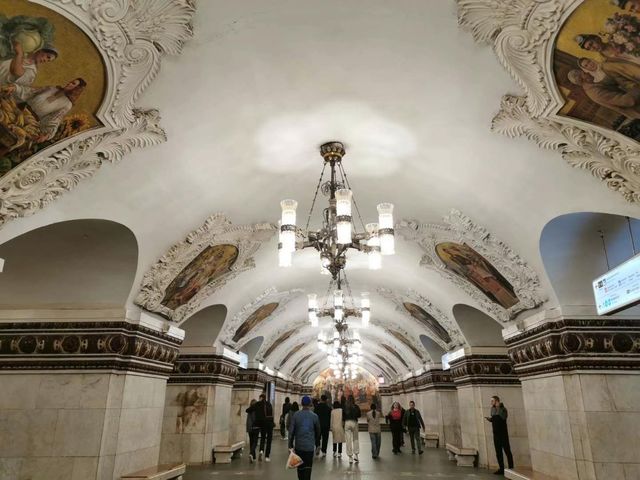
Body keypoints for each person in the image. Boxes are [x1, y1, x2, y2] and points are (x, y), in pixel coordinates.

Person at [14, 78, 87, 142]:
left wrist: (47, 135)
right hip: (20, 108)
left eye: (73, 83)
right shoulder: (52, 89)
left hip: (29, 121)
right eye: (71, 81)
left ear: (77, 89)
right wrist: (16, 88)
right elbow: (31, 92)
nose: (69, 83)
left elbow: (55, 119)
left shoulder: (67, 104)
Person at [568, 69, 640, 119]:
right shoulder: (595, 92)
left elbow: (608, 80)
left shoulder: (592, 86)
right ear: (582, 79)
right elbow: (627, 101)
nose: (588, 72)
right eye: (584, 73)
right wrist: (637, 87)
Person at [288, 395, 321, 480]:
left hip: (299, 446)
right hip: (309, 447)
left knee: (300, 468)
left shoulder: (296, 415)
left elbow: (291, 432)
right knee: (308, 468)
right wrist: (317, 444)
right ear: (310, 404)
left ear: (302, 404)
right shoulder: (315, 416)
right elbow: (318, 432)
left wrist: (290, 445)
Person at [485, 395, 514, 475]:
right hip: (496, 434)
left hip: (503, 434)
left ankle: (511, 468)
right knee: (498, 452)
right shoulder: (492, 409)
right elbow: (494, 419)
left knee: (507, 451)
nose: (491, 403)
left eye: (492, 401)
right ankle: (501, 469)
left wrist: (499, 407)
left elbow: (503, 418)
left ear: (497, 401)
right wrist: (490, 419)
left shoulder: (503, 409)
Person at [247, 392, 275, 462]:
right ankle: (267, 456)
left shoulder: (258, 404)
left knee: (263, 438)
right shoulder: (269, 404)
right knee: (269, 440)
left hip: (263, 424)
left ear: (261, 398)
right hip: (270, 424)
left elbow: (248, 410)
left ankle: (261, 451)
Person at [342, 395, 361, 464]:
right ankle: (356, 455)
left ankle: (350, 457)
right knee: (355, 439)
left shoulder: (345, 407)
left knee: (348, 440)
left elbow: (343, 417)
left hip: (347, 423)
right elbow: (359, 415)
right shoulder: (356, 406)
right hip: (354, 422)